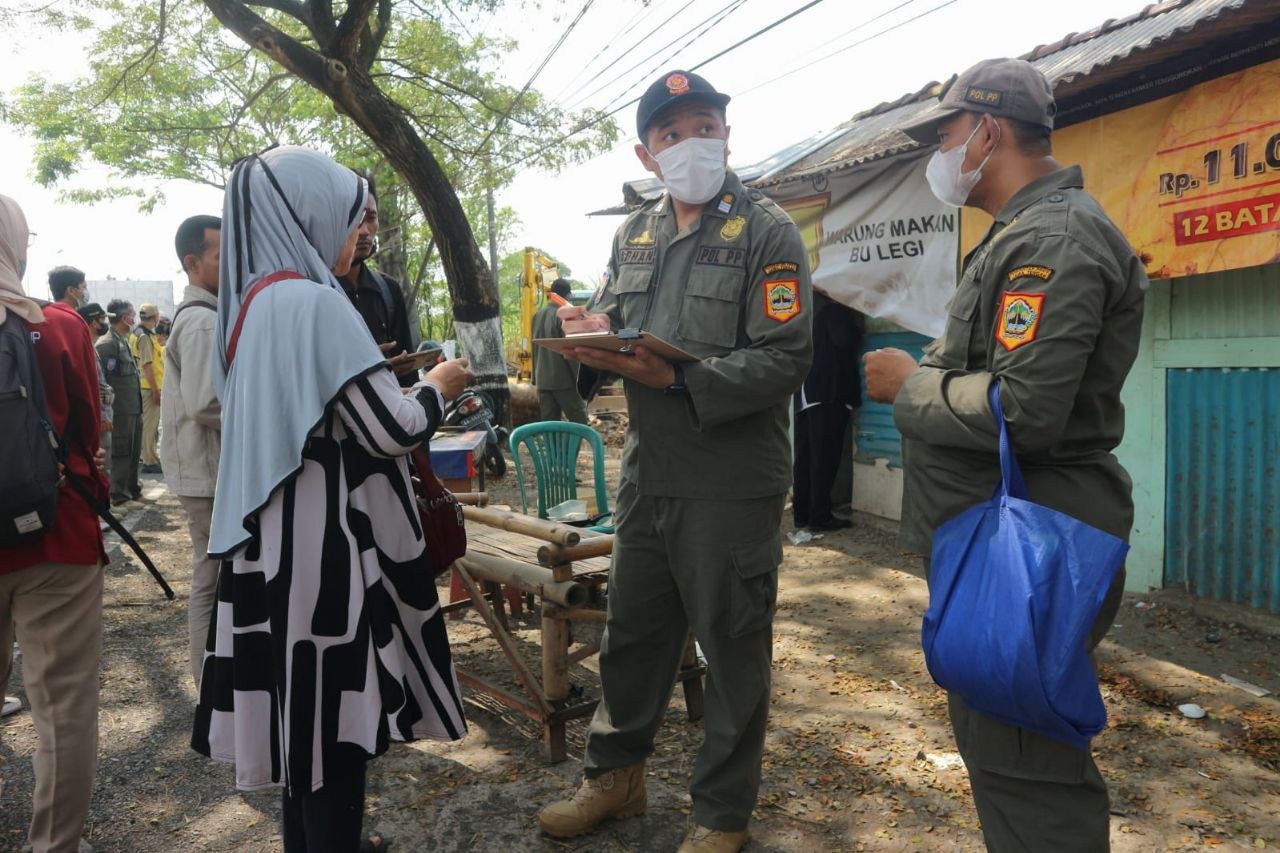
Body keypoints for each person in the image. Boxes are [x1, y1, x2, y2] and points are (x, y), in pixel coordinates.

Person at [863, 58, 1147, 851]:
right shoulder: (1021, 235)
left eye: (947, 134)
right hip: (1003, 540)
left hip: (1032, 543)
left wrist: (915, 384)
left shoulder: (1051, 238)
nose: (941, 156)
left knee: (1028, 772)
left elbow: (1024, 410)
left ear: (988, 131)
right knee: (1006, 751)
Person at [539, 71, 813, 853]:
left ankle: (722, 813)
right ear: (647, 152)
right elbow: (617, 327)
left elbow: (786, 357)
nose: (692, 141)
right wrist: (594, 330)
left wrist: (682, 377)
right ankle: (615, 777)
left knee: (731, 648)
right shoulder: (635, 233)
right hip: (648, 472)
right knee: (633, 634)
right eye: (672, 132)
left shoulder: (767, 231)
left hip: (730, 480)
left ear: (728, 133)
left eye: (705, 124)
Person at [191, 146, 470, 852]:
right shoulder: (318, 302)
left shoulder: (251, 301)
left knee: (304, 748)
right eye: (355, 222)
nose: (361, 240)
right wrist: (442, 384)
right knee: (336, 745)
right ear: (310, 214)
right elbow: (389, 428)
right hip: (326, 563)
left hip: (272, 555)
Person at [0, 192, 111, 853]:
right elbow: (89, 430)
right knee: (62, 708)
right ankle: (55, 846)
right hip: (57, 536)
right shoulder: (62, 325)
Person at [160, 214, 222, 689]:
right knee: (212, 578)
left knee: (211, 574)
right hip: (208, 474)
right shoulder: (201, 321)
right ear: (192, 262)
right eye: (222, 257)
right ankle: (210, 684)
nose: (231, 265)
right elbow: (209, 403)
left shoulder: (204, 315)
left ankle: (213, 682)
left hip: (202, 470)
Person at [792, 291, 864, 531]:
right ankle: (819, 517)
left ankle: (802, 514)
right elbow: (844, 340)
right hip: (827, 394)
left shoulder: (806, 313)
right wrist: (858, 327)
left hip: (806, 392)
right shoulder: (834, 311)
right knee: (825, 458)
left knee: (806, 457)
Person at [338, 172, 417, 387]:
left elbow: (409, 377)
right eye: (354, 218)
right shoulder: (316, 292)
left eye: (371, 218)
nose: (364, 231)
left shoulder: (389, 290)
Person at [97, 298, 142, 504]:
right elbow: (102, 381)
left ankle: (131, 490)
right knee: (121, 451)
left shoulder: (123, 339)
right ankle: (119, 494)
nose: (135, 318)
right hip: (119, 409)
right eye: (133, 314)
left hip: (132, 407)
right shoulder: (107, 344)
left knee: (133, 451)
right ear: (125, 318)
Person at [531, 277, 588, 423]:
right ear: (567, 295)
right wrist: (582, 380)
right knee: (579, 423)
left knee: (550, 426)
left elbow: (534, 348)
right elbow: (571, 350)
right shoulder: (563, 316)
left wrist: (535, 378)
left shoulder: (537, 316)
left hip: (543, 381)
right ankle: (571, 447)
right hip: (564, 382)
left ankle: (554, 447)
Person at [77, 302, 116, 485]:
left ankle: (105, 501)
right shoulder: (86, 347)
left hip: (103, 410)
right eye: (102, 319)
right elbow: (93, 387)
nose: (104, 323)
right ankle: (104, 505)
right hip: (99, 415)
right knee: (102, 460)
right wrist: (102, 415)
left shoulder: (91, 345)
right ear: (93, 322)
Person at [132, 302, 163, 474]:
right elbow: (147, 366)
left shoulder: (140, 333)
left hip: (145, 386)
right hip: (148, 387)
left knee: (148, 425)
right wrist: (155, 390)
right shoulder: (144, 336)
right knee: (150, 426)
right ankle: (149, 461)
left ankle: (148, 457)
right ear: (155, 317)